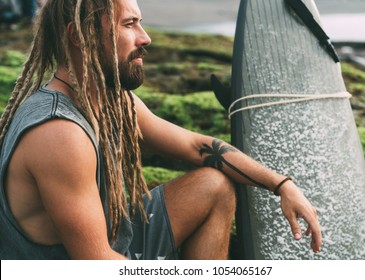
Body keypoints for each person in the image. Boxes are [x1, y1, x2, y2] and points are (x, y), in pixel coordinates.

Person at [0, 0, 322, 260]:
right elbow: (96, 264)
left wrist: (282, 185)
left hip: (114, 242)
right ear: (78, 36)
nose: (145, 37)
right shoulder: (59, 133)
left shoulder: (112, 100)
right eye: (129, 24)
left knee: (214, 184)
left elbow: (199, 148)